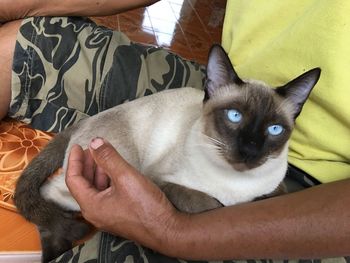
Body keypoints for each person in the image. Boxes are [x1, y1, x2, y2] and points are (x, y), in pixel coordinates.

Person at [0, 0, 349, 262]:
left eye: (275, 129)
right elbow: (162, 179)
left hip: (324, 193)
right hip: (227, 90)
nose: (251, 147)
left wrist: (175, 232)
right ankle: (50, 201)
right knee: (20, 45)